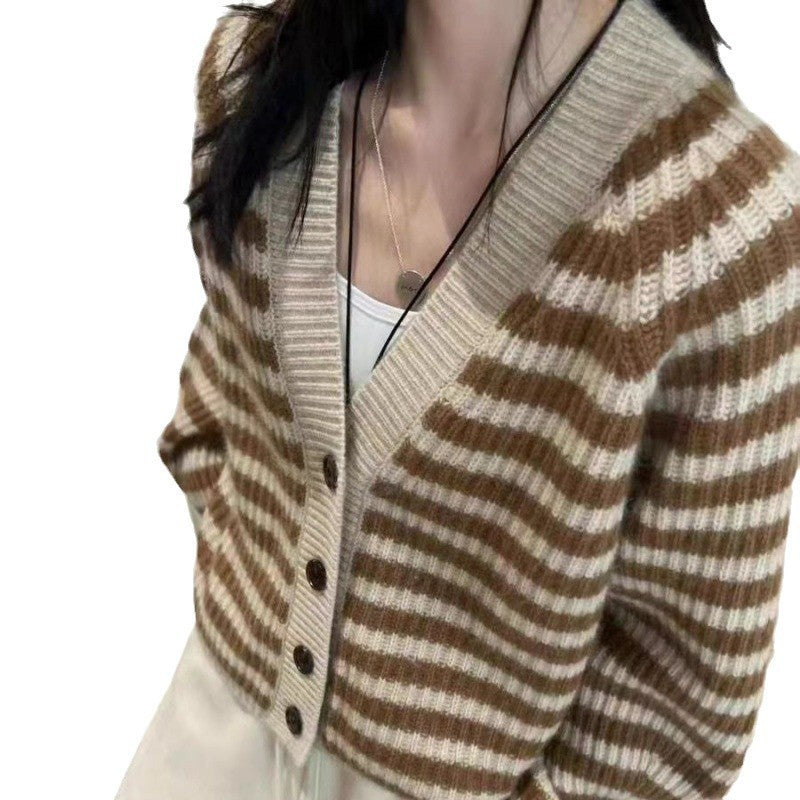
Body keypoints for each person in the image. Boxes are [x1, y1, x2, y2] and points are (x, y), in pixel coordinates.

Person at [116, 0, 800, 798]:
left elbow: (681, 696)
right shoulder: (261, 76)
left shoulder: (724, 228)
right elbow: (222, 394)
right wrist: (246, 589)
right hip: (201, 744)